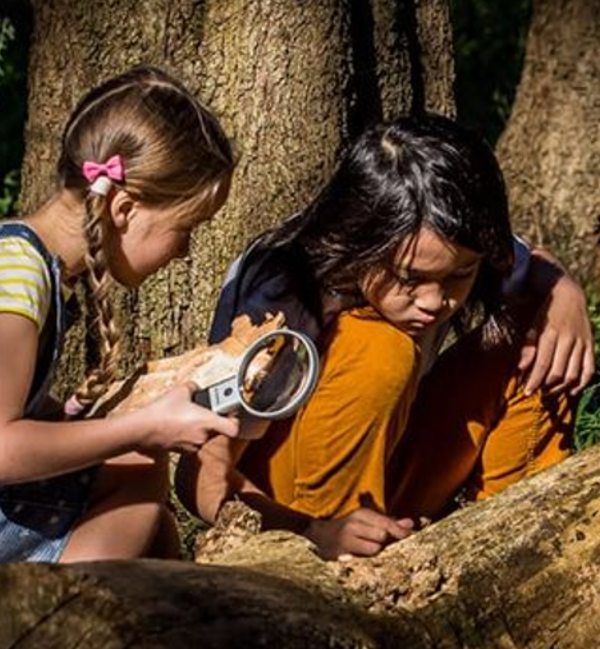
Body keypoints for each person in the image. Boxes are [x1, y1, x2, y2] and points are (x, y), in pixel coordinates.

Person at [175, 112, 594, 560]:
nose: (435, 302)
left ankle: (502, 552)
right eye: (410, 278)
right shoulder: (285, 292)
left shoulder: (450, 232)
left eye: (460, 276)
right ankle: (343, 573)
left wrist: (564, 295)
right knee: (378, 349)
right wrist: (311, 532)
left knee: (539, 337)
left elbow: (533, 264)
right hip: (299, 516)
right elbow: (202, 475)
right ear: (359, 242)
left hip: (391, 478)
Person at [0, 64, 240, 563]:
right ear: (124, 209)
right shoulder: (17, 275)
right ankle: (57, 632)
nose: (184, 252)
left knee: (139, 481)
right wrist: (144, 427)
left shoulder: (39, 268)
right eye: (185, 228)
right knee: (138, 461)